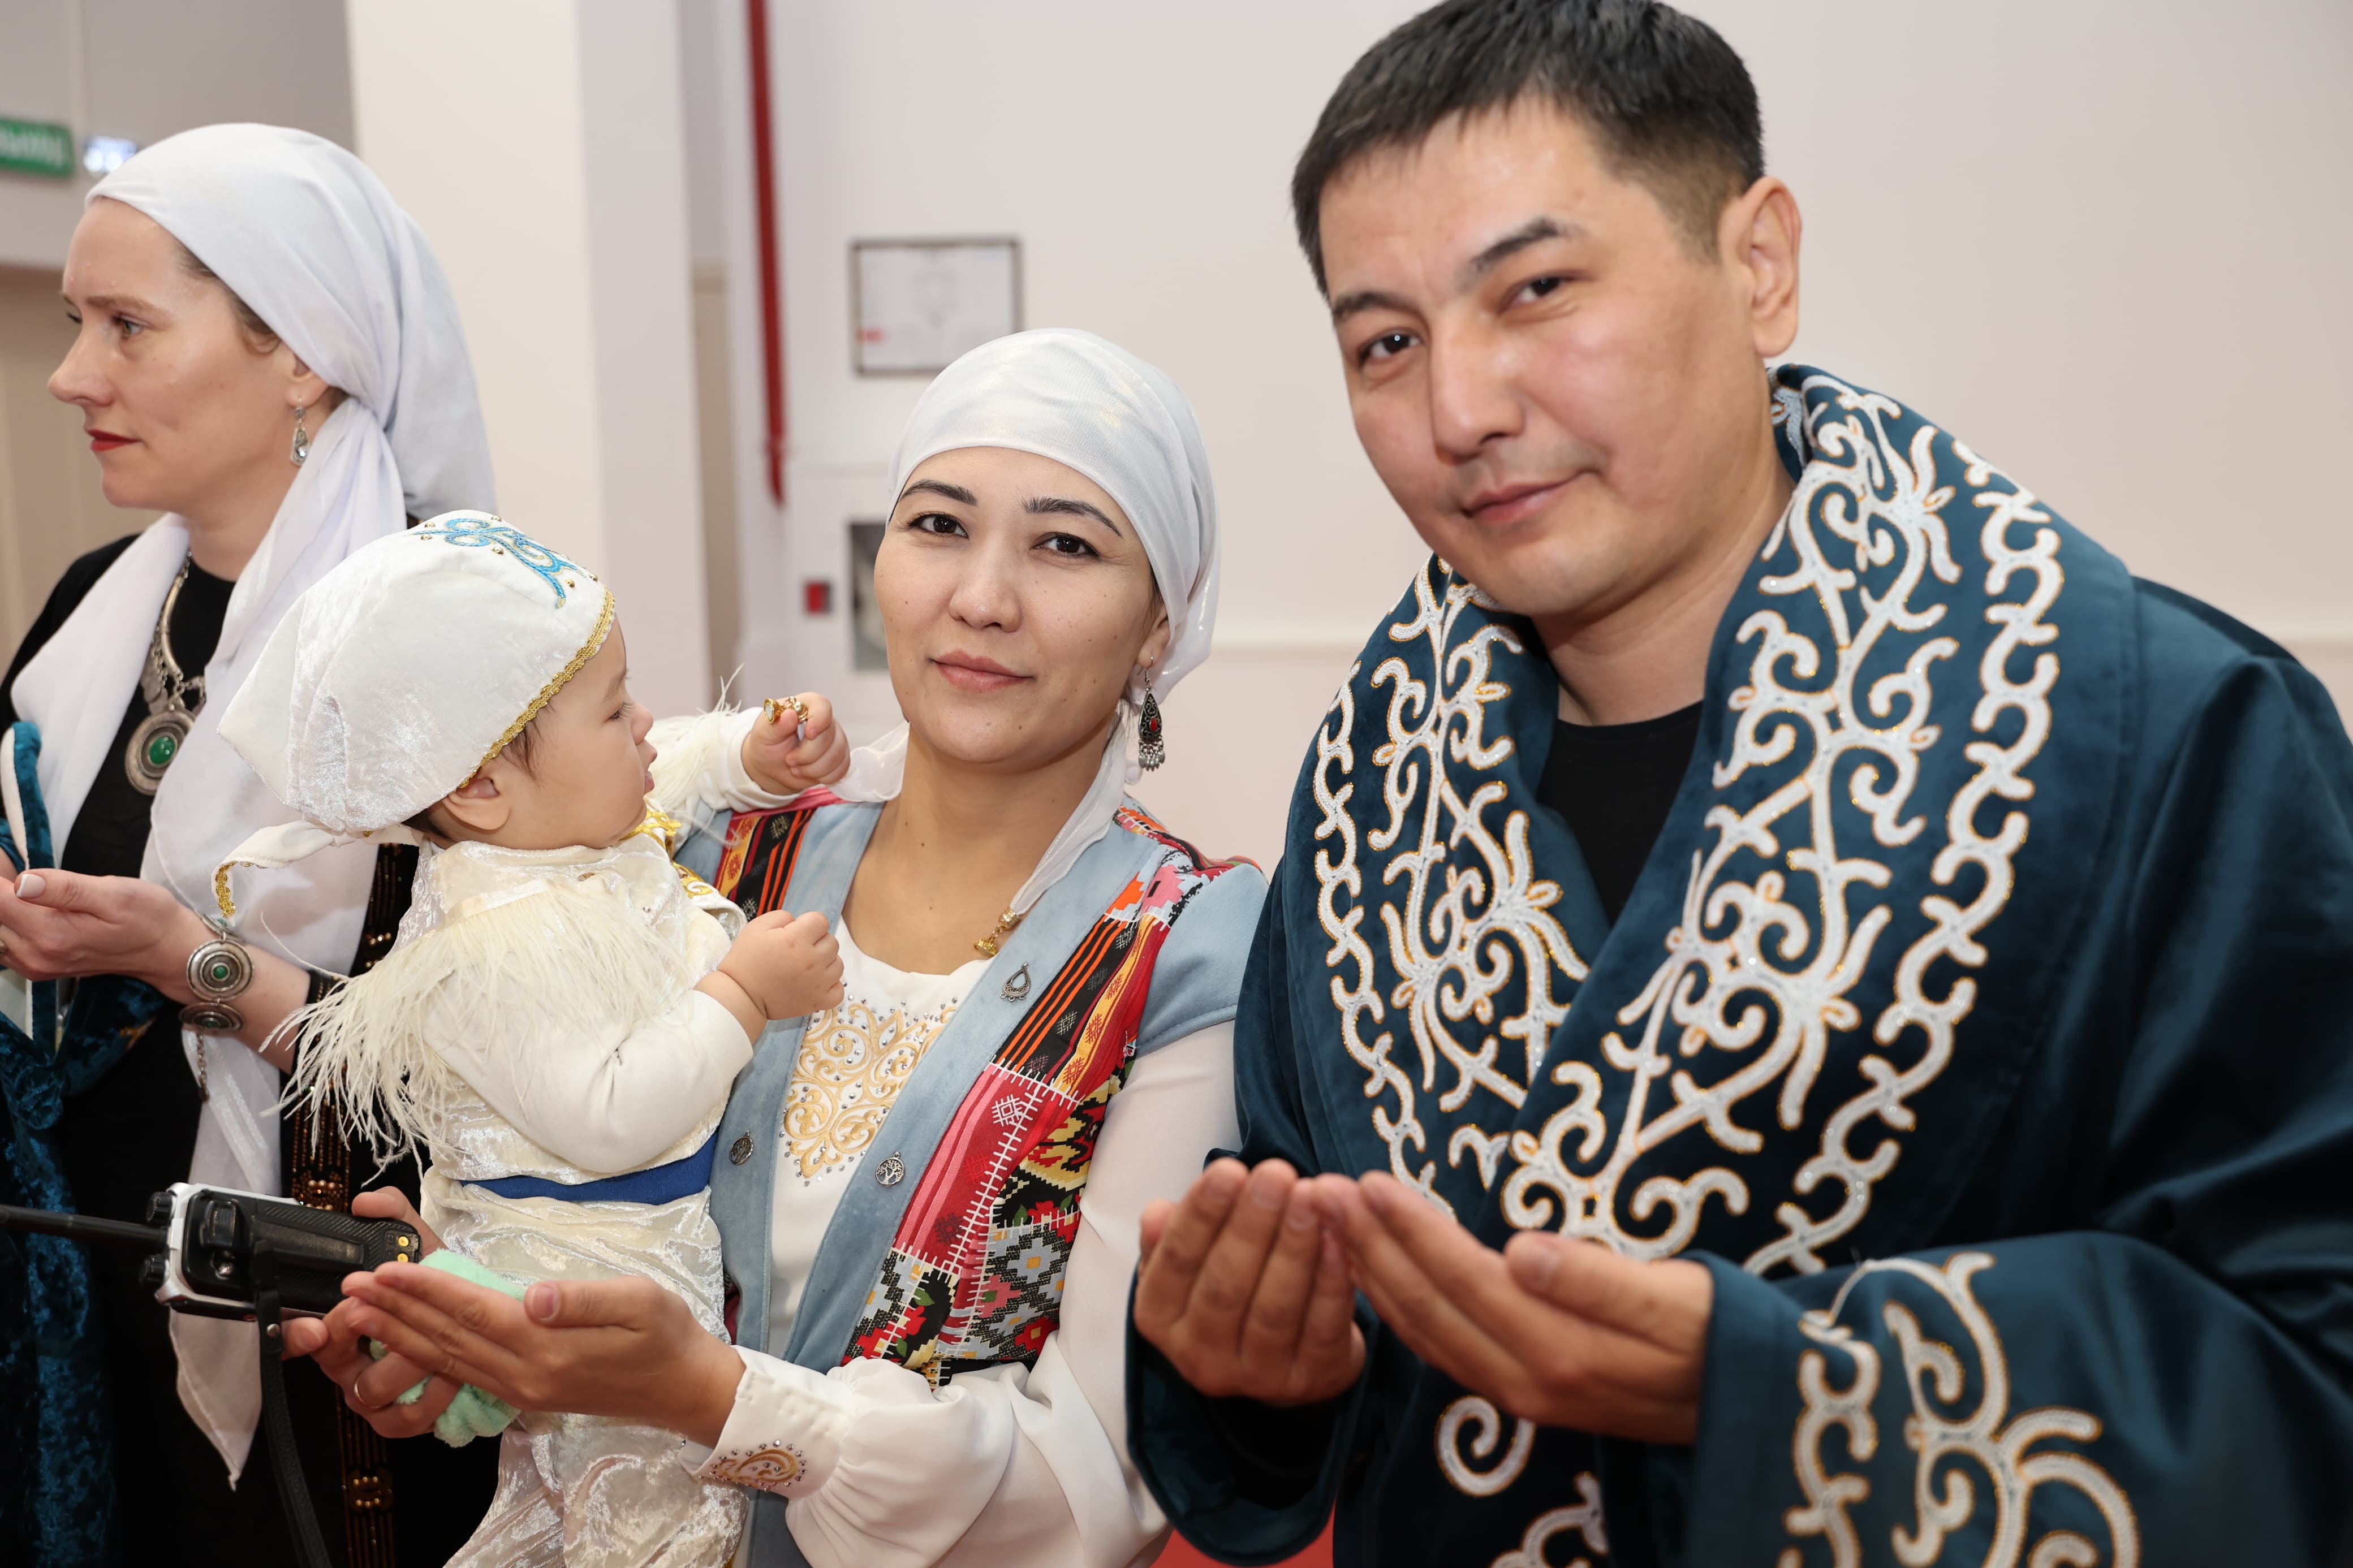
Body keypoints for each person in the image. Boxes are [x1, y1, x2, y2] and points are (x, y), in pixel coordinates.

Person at [1123, 3, 2353, 1566]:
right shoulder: (1374, 797)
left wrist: (1786, 1384)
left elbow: (2311, 1356)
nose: (1459, 410)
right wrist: (1266, 1368)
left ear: (1758, 262)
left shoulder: (2163, 732)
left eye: (1536, 291)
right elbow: (1337, 1345)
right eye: (1386, 342)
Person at [286, 328, 1266, 1568]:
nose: (982, 596)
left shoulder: (1180, 949)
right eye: (938, 524)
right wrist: (481, 1322)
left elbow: (1097, 1484)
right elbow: (559, 1166)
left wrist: (716, 1399)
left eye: (1066, 544)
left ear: (1159, 623)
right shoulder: (707, 851)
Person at [0, 124, 501, 1563]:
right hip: (81, 1292)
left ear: (301, 355)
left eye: (128, 326)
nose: (72, 374)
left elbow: (497, 1063)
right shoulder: (95, 604)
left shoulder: (458, 638)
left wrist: (189, 961)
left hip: (334, 1349)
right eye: (75, 323)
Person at [217, 514, 854, 1564]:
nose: (646, 724)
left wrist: (748, 750)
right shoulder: (485, 952)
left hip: (647, 1275)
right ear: (479, 787)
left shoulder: (545, 829)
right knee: (646, 1525)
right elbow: (611, 1116)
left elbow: (657, 774)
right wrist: (744, 992)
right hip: (580, 1303)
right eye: (615, 708)